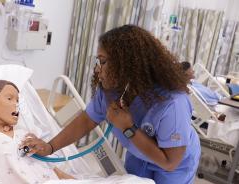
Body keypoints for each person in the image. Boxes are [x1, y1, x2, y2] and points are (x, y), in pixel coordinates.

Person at [22, 25, 201, 184]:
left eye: (103, 61)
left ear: (127, 63)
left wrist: (128, 128)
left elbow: (170, 162)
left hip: (174, 165)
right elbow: (86, 121)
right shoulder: (112, 90)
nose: (98, 69)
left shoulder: (172, 102)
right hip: (139, 154)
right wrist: (49, 147)